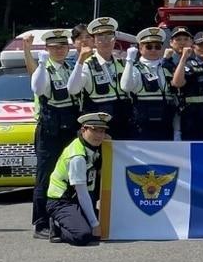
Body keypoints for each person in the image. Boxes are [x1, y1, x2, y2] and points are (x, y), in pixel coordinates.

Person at [27, 29, 78, 239]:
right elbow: (38, 88)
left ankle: (63, 219)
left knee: (69, 176)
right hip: (49, 131)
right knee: (45, 178)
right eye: (54, 47)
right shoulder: (44, 68)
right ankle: (40, 223)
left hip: (69, 129)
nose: (59, 50)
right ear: (47, 49)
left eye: (63, 46)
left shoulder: (70, 68)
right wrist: (39, 62)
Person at [44, 111, 109, 246]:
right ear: (83, 130)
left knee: (110, 225)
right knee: (83, 235)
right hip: (62, 201)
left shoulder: (90, 145)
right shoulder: (77, 157)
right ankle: (57, 227)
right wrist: (95, 224)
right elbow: (82, 193)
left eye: (102, 131)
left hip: (78, 199)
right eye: (95, 130)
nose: (99, 135)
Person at [67, 16, 132, 138]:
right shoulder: (87, 65)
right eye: (100, 37)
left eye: (109, 36)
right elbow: (73, 89)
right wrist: (80, 61)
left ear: (115, 39)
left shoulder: (122, 64)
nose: (105, 41)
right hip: (97, 130)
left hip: (123, 127)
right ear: (94, 41)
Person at [120, 27, 176, 141]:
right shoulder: (135, 68)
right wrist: (129, 61)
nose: (153, 50)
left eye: (157, 47)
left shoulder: (167, 67)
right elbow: (125, 87)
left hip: (165, 125)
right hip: (142, 126)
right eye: (149, 47)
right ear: (140, 48)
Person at [170, 32, 203, 140]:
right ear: (193, 47)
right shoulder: (187, 65)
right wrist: (183, 58)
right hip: (192, 117)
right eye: (201, 45)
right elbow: (177, 83)